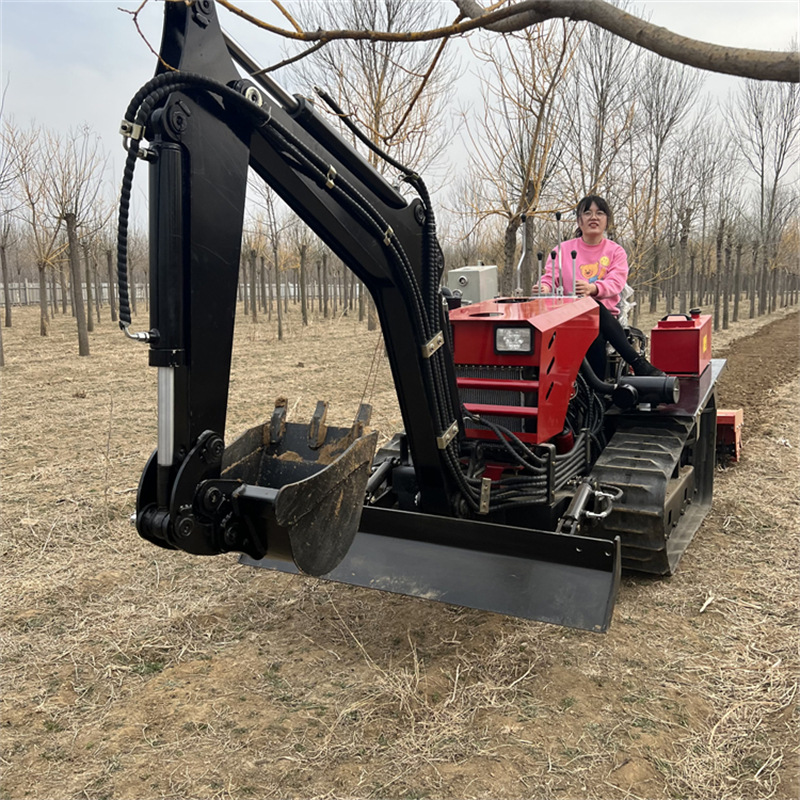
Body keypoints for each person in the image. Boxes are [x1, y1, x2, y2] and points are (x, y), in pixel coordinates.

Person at [532, 195, 664, 378]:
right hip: (567, 318)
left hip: (606, 319)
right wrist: (544, 288)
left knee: (593, 315)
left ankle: (599, 388)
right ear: (579, 220)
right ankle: (637, 363)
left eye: (599, 213)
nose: (593, 217)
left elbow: (616, 282)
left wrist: (593, 289)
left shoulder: (615, 251)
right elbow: (549, 278)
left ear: (607, 220)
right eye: (587, 213)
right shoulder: (561, 250)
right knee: (587, 312)